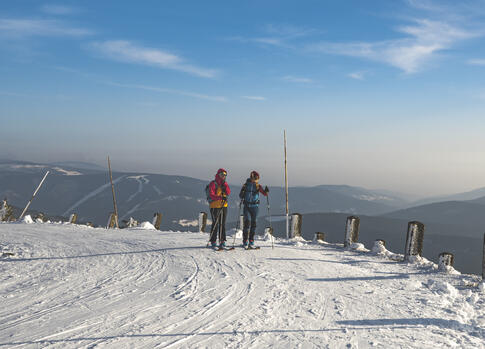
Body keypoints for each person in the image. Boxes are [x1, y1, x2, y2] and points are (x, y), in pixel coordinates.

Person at [239, 170, 269, 248]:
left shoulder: (258, 186)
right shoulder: (246, 185)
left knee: (253, 224)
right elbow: (240, 195)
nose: (257, 180)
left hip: (254, 207)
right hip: (248, 206)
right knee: (247, 223)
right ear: (252, 177)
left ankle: (251, 240)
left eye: (257, 178)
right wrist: (242, 193)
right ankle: (245, 240)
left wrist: (266, 191)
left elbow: (264, 194)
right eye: (256, 178)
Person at [208, 168, 231, 248]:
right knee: (216, 224)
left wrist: (225, 186)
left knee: (222, 224)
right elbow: (211, 195)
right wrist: (220, 198)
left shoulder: (224, 184)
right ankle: (213, 241)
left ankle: (222, 240)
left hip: (224, 206)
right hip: (215, 206)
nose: (223, 176)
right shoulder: (213, 184)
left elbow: (228, 192)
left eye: (225, 175)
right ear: (218, 175)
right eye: (222, 175)